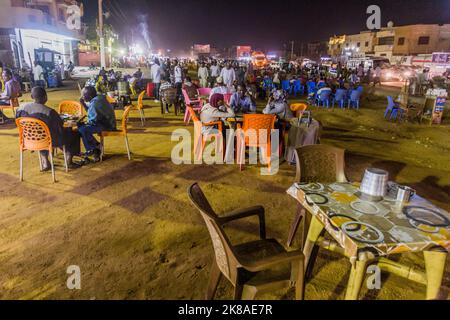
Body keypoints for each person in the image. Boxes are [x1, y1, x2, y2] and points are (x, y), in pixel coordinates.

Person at [16, 87, 81, 169]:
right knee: (74, 134)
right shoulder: (49, 112)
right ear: (46, 97)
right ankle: (69, 160)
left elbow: (18, 122)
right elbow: (60, 127)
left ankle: (45, 162)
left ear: (32, 96)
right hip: (49, 141)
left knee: (40, 133)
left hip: (30, 139)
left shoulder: (20, 109)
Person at [78, 86, 116, 162]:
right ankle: (95, 146)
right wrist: (83, 103)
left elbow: (93, 121)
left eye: (83, 95)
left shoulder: (95, 103)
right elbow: (90, 111)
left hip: (106, 125)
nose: (82, 97)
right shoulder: (98, 98)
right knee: (82, 128)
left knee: (83, 129)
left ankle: (94, 150)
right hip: (106, 122)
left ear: (90, 96)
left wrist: (84, 123)